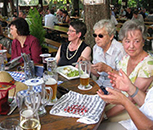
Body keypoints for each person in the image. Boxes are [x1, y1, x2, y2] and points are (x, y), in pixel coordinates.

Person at [104, 20, 153, 120]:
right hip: (122, 102)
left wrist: (105, 115)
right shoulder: (125, 59)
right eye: (127, 41)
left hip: (139, 111)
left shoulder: (148, 64)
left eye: (136, 41)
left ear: (143, 41)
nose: (131, 46)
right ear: (122, 41)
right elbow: (118, 88)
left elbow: (132, 99)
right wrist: (104, 103)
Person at [79, 19, 125, 88]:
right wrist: (86, 64)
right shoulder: (96, 48)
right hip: (100, 84)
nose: (97, 38)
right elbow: (97, 74)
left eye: (100, 36)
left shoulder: (120, 50)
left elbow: (124, 78)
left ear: (111, 36)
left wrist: (107, 69)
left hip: (115, 87)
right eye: (95, 35)